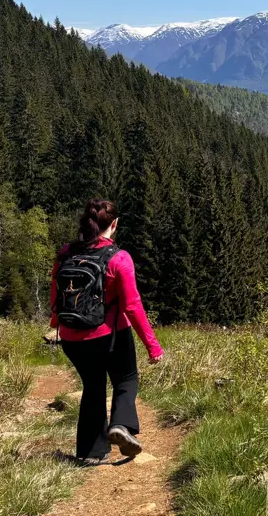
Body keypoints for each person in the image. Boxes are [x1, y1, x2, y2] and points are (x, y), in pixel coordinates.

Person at [49, 199, 164, 465]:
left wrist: (56, 322)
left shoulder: (65, 253)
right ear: (114, 224)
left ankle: (91, 453)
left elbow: (56, 292)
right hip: (109, 336)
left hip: (71, 337)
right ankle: (121, 426)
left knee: (93, 386)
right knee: (126, 379)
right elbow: (133, 306)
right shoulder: (118, 258)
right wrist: (153, 346)